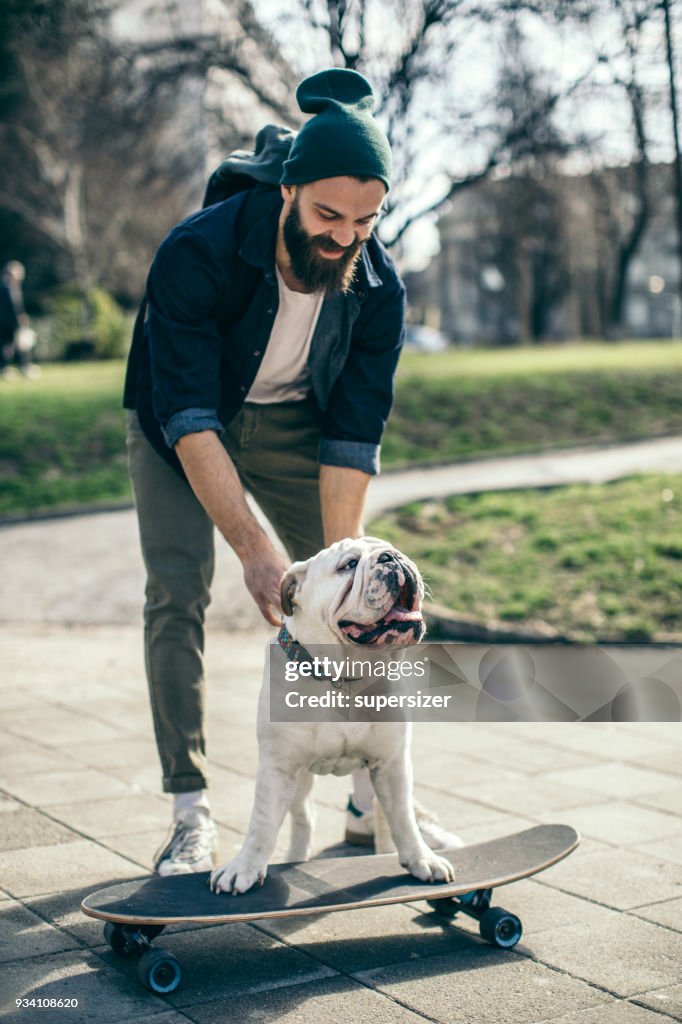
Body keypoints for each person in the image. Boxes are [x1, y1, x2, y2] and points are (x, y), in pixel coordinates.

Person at [124, 68, 459, 875]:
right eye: (328, 214)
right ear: (288, 191)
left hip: (291, 419)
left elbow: (351, 434)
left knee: (358, 597)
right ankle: (188, 810)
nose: (347, 236)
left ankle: (370, 796)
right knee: (178, 590)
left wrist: (340, 585)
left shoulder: (376, 284)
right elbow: (192, 419)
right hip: (181, 420)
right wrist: (253, 550)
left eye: (367, 219)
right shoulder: (197, 251)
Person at [0, 261, 38, 379]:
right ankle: (20, 368)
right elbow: (12, 307)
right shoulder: (7, 288)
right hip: (8, 322)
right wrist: (19, 318)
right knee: (10, 346)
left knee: (12, 346)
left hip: (8, 322)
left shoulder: (10, 287)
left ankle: (16, 367)